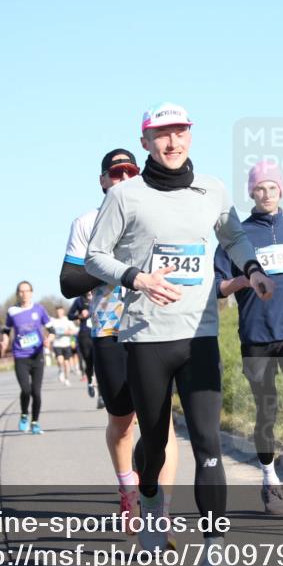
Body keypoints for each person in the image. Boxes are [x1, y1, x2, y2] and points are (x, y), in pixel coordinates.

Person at [85, 103, 275, 566]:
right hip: (146, 336)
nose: (172, 143)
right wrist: (138, 277)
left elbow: (233, 235)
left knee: (209, 446)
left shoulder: (211, 190)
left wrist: (252, 270)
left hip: (199, 335)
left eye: (180, 133)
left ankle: (213, 562)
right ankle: (150, 503)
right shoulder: (126, 195)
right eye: (161, 135)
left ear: (191, 136)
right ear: (146, 141)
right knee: (152, 442)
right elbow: (95, 257)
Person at [61, 148, 180, 544]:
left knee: (163, 427)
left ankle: (160, 511)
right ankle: (128, 488)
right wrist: (115, 269)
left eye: (131, 171)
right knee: (122, 423)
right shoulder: (88, 222)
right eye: (116, 173)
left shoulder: (155, 217)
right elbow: (68, 282)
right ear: (103, 181)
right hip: (110, 331)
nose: (124, 177)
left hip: (154, 329)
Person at [215, 160, 283, 515]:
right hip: (256, 333)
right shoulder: (237, 235)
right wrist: (245, 280)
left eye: (272, 187)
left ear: (282, 190)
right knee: (267, 409)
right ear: (251, 192)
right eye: (259, 188)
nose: (266, 193)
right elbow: (219, 286)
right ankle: (269, 480)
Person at [0, 281, 53, 435]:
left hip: (37, 356)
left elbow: (51, 328)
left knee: (36, 392)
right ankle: (24, 414)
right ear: (18, 293)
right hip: (20, 356)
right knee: (26, 389)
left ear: (31, 292)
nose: (24, 294)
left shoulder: (39, 309)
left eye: (27, 291)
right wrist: (5, 340)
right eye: (21, 291)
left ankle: (35, 422)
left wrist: (49, 338)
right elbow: (6, 329)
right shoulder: (12, 311)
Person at [68, 291, 100, 402]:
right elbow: (70, 315)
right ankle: (90, 381)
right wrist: (80, 315)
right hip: (85, 334)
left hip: (100, 332)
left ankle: (101, 395)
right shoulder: (79, 300)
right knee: (89, 361)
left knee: (100, 363)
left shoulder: (100, 294)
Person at [47, 306, 78, 385]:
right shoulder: (53, 321)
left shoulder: (67, 320)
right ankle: (61, 370)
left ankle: (67, 378)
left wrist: (69, 332)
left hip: (66, 344)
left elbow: (75, 330)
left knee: (66, 363)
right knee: (60, 361)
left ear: (63, 312)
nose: (59, 313)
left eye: (60, 311)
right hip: (57, 344)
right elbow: (49, 330)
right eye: (57, 312)